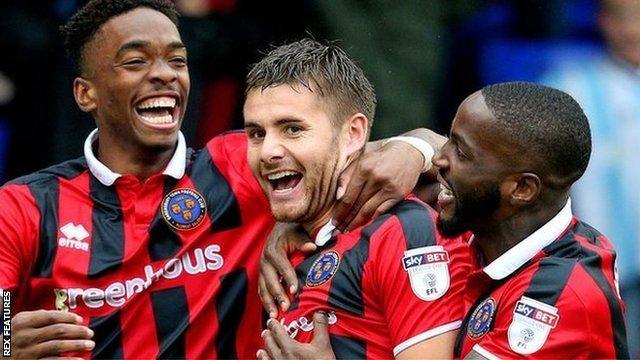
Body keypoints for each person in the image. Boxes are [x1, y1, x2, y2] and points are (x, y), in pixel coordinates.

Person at [0, 1, 439, 359]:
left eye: (177, 59)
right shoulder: (25, 206)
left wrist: (415, 147)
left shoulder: (239, 163)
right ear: (86, 92)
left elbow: (388, 151)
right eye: (135, 61)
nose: (164, 74)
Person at [260, 82, 629, 359]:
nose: (441, 161)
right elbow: (341, 163)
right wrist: (415, 146)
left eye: (461, 153)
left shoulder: (561, 297)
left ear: (521, 188)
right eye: (448, 141)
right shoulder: (485, 217)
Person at [244, 39, 472, 359]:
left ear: (353, 133)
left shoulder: (405, 234)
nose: (268, 151)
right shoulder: (296, 237)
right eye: (256, 133)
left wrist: (416, 147)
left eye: (293, 129)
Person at [541, 0, 640, 355]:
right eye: (626, 19)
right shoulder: (568, 88)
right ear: (604, 21)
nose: (635, 30)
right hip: (600, 264)